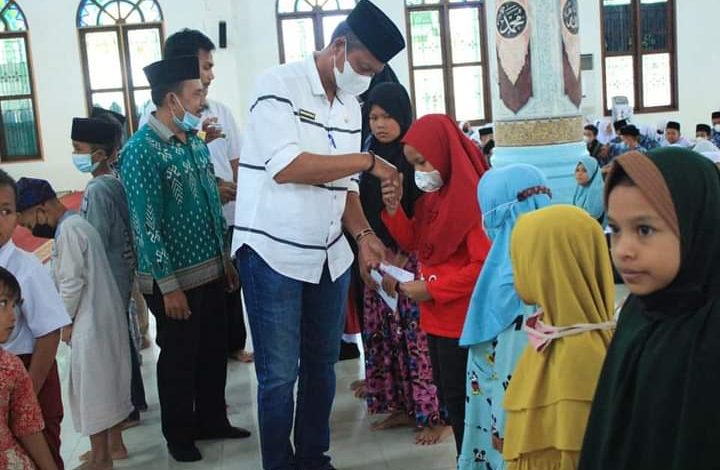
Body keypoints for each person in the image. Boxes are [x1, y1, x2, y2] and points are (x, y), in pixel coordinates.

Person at [232, 1, 405, 466]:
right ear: (338, 46)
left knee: (321, 366)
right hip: (273, 253)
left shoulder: (350, 104)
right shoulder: (278, 85)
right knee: (278, 376)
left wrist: (364, 235)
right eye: (363, 68)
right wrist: (369, 160)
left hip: (329, 254)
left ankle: (314, 457)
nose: (366, 80)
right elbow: (287, 166)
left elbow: (344, 186)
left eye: (374, 73)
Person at [120, 55, 247, 463]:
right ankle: (179, 434)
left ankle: (212, 419)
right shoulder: (140, 150)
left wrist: (225, 260)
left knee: (212, 350)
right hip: (173, 278)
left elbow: (210, 199)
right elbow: (145, 223)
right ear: (171, 99)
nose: (202, 102)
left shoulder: (192, 141)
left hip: (210, 268)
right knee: (180, 358)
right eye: (196, 94)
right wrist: (168, 286)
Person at [579, 148, 720, 470]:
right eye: (615, 230)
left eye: (644, 230)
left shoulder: (710, 332)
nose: (623, 251)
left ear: (696, 225)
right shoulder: (638, 312)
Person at [137, 29, 251, 363]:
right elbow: (148, 217)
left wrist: (233, 194)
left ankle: (231, 346)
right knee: (185, 346)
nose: (210, 76)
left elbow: (235, 161)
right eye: (205, 67)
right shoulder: (149, 136)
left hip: (219, 225)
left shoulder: (212, 119)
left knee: (221, 305)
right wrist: (169, 285)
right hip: (179, 244)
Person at [381, 113, 491, 457]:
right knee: (449, 396)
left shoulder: (471, 200)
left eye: (422, 161)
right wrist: (394, 209)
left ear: (445, 152)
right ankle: (465, 459)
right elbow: (417, 241)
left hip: (462, 320)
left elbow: (482, 267)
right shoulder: (434, 198)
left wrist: (433, 288)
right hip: (437, 318)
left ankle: (470, 460)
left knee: (464, 403)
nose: (420, 171)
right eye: (414, 164)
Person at [16, 178, 132, 470]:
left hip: (89, 322)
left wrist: (59, 322)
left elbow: (70, 285)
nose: (31, 230)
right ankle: (113, 446)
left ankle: (102, 458)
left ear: (41, 209)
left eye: (29, 222)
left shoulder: (69, 231)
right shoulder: (76, 225)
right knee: (105, 385)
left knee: (93, 391)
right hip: (98, 317)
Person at [358, 82, 443, 443]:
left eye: (387, 116)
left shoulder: (414, 157)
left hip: (410, 261)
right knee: (384, 337)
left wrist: (403, 260)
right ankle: (401, 405)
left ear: (404, 116)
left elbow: (425, 216)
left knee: (415, 340)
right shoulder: (367, 157)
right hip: (376, 259)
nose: (379, 124)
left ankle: (433, 415)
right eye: (373, 117)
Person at [502, 205, 615, 470]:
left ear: (543, 265)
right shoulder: (553, 336)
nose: (515, 271)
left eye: (519, 259)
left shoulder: (575, 360)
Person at [458, 164, 552, 470]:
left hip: (506, 427)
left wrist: (503, 428)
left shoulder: (512, 281)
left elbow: (510, 372)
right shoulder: (553, 261)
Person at [70, 117, 148, 439]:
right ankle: (133, 401)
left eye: (79, 149)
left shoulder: (99, 189)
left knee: (113, 343)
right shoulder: (113, 181)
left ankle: (126, 408)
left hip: (108, 276)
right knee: (121, 337)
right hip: (119, 273)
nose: (75, 154)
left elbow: (95, 240)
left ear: (100, 154)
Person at [0, 170, 70, 470]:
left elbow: (49, 334)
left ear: (17, 216)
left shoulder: (26, 268)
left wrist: (24, 394)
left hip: (29, 375)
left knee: (41, 457)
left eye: (5, 211)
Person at [0, 267, 59, 470]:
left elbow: (28, 427)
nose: (12, 316)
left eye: (14, 305)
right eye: (2, 304)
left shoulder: (10, 367)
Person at [572, 156, 605, 221]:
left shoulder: (598, 191)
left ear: (592, 172)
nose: (579, 174)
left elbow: (593, 216)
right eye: (577, 170)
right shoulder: (580, 188)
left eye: (584, 171)